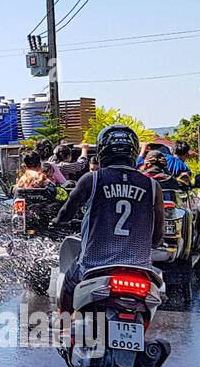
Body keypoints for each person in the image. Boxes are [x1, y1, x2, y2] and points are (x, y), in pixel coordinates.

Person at [54, 124, 165, 314]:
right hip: (139, 268)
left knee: (67, 282)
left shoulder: (92, 179)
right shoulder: (153, 186)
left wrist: (57, 222)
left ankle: (64, 328)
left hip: (94, 265)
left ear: (102, 151)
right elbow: (157, 235)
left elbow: (66, 212)